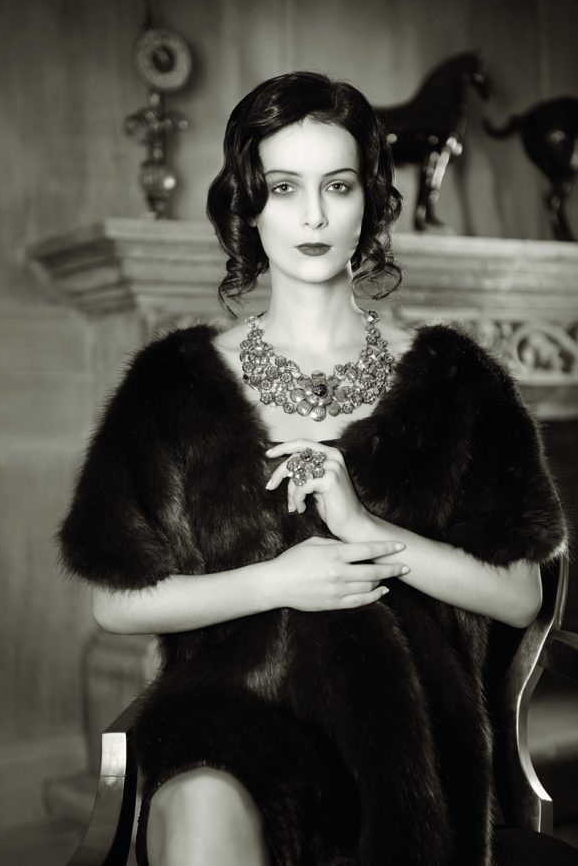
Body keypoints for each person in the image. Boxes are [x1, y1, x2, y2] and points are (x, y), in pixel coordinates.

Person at [57, 71, 568, 866]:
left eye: (337, 185)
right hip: (225, 724)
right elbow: (115, 601)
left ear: (370, 198)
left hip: (404, 755)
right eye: (283, 187)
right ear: (248, 203)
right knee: (201, 802)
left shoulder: (457, 381)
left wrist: (366, 530)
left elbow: (518, 595)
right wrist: (278, 581)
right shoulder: (173, 383)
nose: (314, 216)